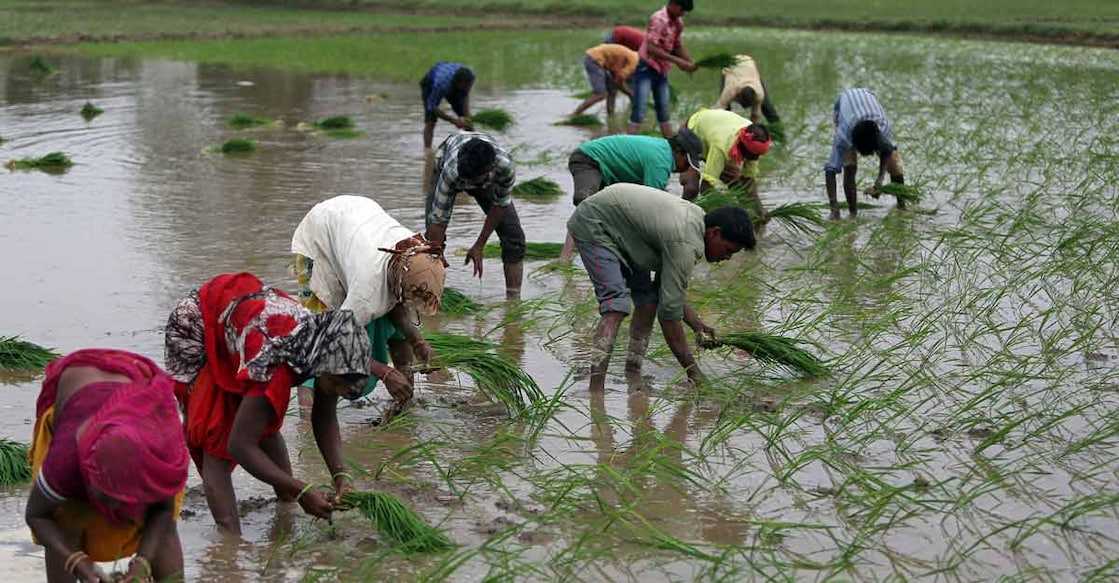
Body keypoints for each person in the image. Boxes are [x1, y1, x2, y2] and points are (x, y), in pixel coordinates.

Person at [164, 272, 385, 535]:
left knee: (260, 419)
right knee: (217, 441)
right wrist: (301, 488)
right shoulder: (276, 368)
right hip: (198, 327)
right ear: (325, 370)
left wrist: (341, 476)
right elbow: (240, 446)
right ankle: (230, 544)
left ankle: (286, 506)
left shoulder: (325, 347)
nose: (339, 393)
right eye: (338, 386)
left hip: (241, 319)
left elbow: (324, 417)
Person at [567, 184, 756, 391]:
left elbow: (668, 294)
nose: (727, 258)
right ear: (714, 232)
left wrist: (697, 325)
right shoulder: (686, 243)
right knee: (615, 307)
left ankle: (632, 373)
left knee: (648, 302)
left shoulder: (696, 225)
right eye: (728, 250)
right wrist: (694, 373)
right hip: (595, 223)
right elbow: (669, 316)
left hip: (626, 230)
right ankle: (596, 391)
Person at [26, 349, 189, 583]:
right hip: (78, 386)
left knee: (165, 530)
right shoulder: (63, 463)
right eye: (106, 496)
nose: (114, 510)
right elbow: (36, 516)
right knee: (66, 519)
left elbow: (162, 510)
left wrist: (142, 563)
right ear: (88, 474)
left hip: (136, 383)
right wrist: (74, 559)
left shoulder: (158, 460)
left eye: (125, 499)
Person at [291, 195, 447, 406]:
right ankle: (306, 418)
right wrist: (385, 372)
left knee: (394, 322)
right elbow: (337, 340)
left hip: (356, 221)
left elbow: (398, 307)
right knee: (320, 335)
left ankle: (404, 404)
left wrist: (418, 342)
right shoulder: (367, 291)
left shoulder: (414, 252)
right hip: (321, 236)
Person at [559, 130, 705, 262]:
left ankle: (598, 252)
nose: (686, 167)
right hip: (588, 159)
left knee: (604, 213)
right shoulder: (661, 162)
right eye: (687, 162)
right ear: (678, 152)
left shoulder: (662, 150)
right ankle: (565, 258)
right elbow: (650, 206)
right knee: (585, 205)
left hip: (607, 170)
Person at [425, 132, 525, 298]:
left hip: (485, 178)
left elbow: (499, 206)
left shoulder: (505, 167)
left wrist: (479, 245)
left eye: (471, 182)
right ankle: (432, 295)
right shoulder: (451, 171)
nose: (466, 186)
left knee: (514, 238)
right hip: (445, 164)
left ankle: (513, 301)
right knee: (431, 240)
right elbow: (438, 221)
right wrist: (436, 257)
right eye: (465, 180)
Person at [825, 88, 906, 220]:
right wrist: (834, 208)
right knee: (849, 167)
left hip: (868, 98)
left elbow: (887, 151)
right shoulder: (843, 137)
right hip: (844, 106)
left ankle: (901, 205)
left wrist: (878, 182)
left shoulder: (884, 127)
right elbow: (830, 171)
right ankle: (853, 213)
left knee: (894, 163)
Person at [684, 108, 772, 216]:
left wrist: (759, 211)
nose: (754, 159)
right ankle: (686, 216)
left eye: (757, 156)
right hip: (692, 132)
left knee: (738, 185)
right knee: (691, 187)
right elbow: (706, 187)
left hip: (715, 130)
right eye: (752, 156)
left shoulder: (753, 137)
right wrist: (728, 207)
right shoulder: (721, 146)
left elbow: (748, 182)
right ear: (743, 147)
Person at [628, 0, 697, 138]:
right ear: (673, 4)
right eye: (681, 10)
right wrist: (678, 61)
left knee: (664, 111)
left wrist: (690, 61)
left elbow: (677, 46)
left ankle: (671, 148)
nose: (682, 14)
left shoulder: (678, 22)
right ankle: (627, 145)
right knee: (639, 110)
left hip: (661, 69)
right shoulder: (658, 20)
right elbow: (652, 49)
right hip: (646, 68)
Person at [569, 43, 638, 119]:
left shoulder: (633, 58)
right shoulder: (634, 63)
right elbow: (619, 81)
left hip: (599, 59)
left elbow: (616, 80)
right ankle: (574, 114)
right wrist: (630, 93)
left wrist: (629, 93)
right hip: (594, 59)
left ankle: (611, 116)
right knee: (601, 94)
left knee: (612, 90)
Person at [420, 62, 475, 149]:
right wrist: (453, 120)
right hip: (430, 83)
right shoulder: (441, 84)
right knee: (431, 120)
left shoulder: (470, 76)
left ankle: (474, 143)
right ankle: (427, 151)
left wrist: (467, 114)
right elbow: (432, 107)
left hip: (452, 78)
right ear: (458, 84)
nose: (468, 88)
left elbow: (465, 94)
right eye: (465, 86)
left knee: (467, 120)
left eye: (469, 86)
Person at [714, 54, 781, 124]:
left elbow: (755, 115)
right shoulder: (730, 91)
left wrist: (752, 129)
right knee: (725, 111)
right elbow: (718, 110)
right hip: (731, 66)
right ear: (738, 96)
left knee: (767, 107)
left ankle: (779, 131)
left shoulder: (759, 93)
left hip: (749, 66)